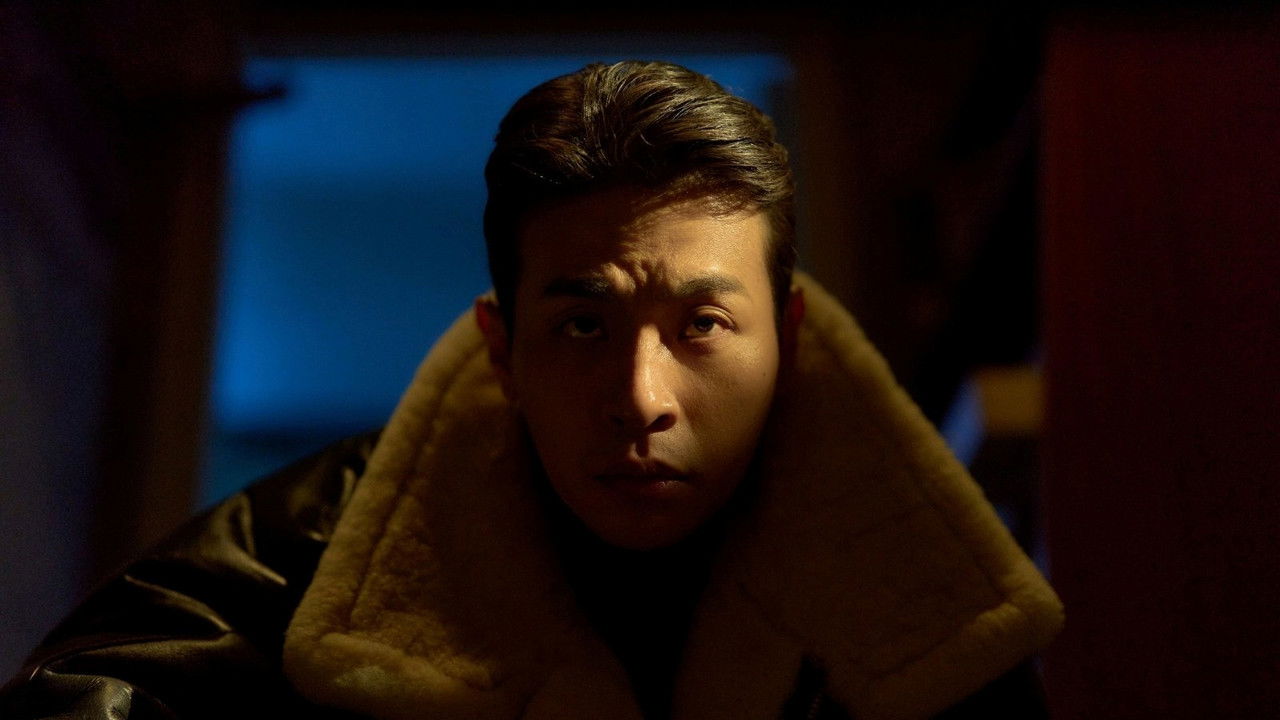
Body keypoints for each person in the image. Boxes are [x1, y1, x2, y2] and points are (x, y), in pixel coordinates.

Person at [0, 61, 1062, 719]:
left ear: (786, 342)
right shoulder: (325, 547)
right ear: (502, 352)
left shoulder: (926, 592)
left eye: (701, 326)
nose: (640, 397)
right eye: (583, 327)